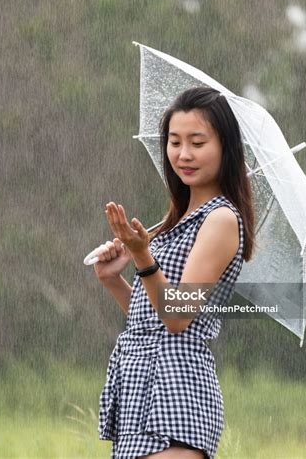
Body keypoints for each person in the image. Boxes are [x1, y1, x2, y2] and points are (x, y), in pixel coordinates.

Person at [95, 86, 255, 459]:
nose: (183, 154)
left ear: (225, 148)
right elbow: (151, 317)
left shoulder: (220, 219)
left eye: (198, 142)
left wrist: (142, 257)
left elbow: (179, 317)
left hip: (177, 391)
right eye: (175, 141)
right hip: (137, 393)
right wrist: (113, 279)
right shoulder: (174, 221)